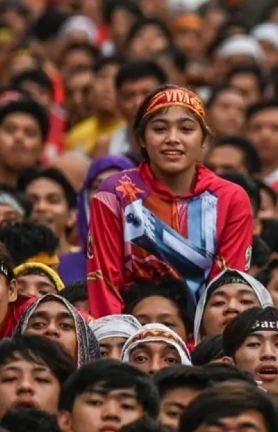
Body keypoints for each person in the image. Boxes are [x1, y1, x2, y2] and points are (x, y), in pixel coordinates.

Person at [88, 85, 253, 317]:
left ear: (203, 139)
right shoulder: (115, 193)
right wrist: (117, 340)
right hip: (129, 334)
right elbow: (104, 280)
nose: (172, 139)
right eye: (159, 129)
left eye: (186, 129)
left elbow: (227, 287)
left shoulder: (231, 198)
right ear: (141, 139)